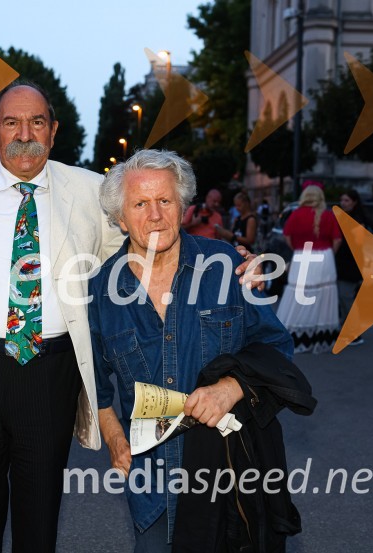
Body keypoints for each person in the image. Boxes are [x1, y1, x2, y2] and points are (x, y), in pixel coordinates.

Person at [0, 83, 260, 553]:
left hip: (52, 375)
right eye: (11, 123)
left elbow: (141, 250)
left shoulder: (93, 192)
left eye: (36, 123)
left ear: (53, 132)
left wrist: (223, 260)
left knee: (39, 519)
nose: (24, 134)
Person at [90, 150, 297, 552]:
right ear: (120, 218)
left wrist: (231, 388)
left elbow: (276, 346)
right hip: (151, 484)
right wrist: (115, 438)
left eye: (165, 200)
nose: (155, 215)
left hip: (228, 472)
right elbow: (93, 386)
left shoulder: (227, 266)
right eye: (140, 204)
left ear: (183, 206)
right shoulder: (99, 292)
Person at [276, 184, 342, 354]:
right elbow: (337, 240)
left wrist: (296, 249)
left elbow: (287, 235)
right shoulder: (328, 215)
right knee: (323, 297)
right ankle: (320, 337)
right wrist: (329, 254)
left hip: (302, 255)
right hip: (324, 257)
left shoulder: (296, 214)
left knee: (298, 295)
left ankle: (296, 333)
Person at [335, 190, 367, 345]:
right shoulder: (342, 217)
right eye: (342, 200)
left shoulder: (357, 220)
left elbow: (359, 244)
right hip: (341, 262)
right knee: (342, 298)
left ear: (354, 202)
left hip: (350, 264)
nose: (343, 203)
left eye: (347, 200)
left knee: (346, 297)